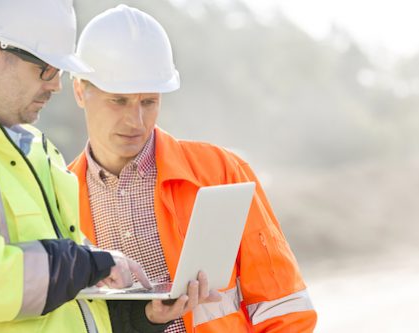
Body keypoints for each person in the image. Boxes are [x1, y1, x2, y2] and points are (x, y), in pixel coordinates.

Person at [0, 0, 209, 331]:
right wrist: (84, 263)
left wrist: (140, 318)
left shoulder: (40, 157)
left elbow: (62, 301)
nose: (56, 85)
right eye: (47, 70)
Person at [68, 5, 318, 332]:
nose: (136, 121)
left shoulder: (220, 173)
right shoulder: (60, 196)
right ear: (79, 92)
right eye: (119, 100)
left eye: (149, 102)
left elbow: (283, 307)